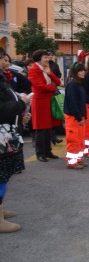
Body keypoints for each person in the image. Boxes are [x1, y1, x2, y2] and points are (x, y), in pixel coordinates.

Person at [0, 48, 31, 233]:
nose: (5, 61)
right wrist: (21, 103)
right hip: (2, 132)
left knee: (4, 174)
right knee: (1, 174)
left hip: (6, 131)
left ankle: (1, 210)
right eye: (1, 58)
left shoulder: (4, 78)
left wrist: (21, 112)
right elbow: (2, 109)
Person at [28, 49, 61, 162]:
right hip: (40, 101)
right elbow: (40, 87)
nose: (47, 59)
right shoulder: (33, 70)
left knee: (48, 128)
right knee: (41, 129)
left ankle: (48, 151)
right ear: (39, 59)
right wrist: (53, 88)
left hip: (48, 100)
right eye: (45, 58)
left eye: (48, 57)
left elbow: (58, 82)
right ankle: (40, 153)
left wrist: (49, 73)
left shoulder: (47, 68)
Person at [63, 62, 88, 169]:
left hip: (79, 116)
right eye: (80, 71)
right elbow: (73, 103)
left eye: (83, 70)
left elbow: (82, 102)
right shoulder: (72, 85)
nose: (83, 72)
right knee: (73, 139)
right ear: (75, 72)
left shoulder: (79, 84)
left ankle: (77, 158)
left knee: (80, 139)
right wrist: (79, 117)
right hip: (73, 117)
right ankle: (72, 162)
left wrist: (84, 116)